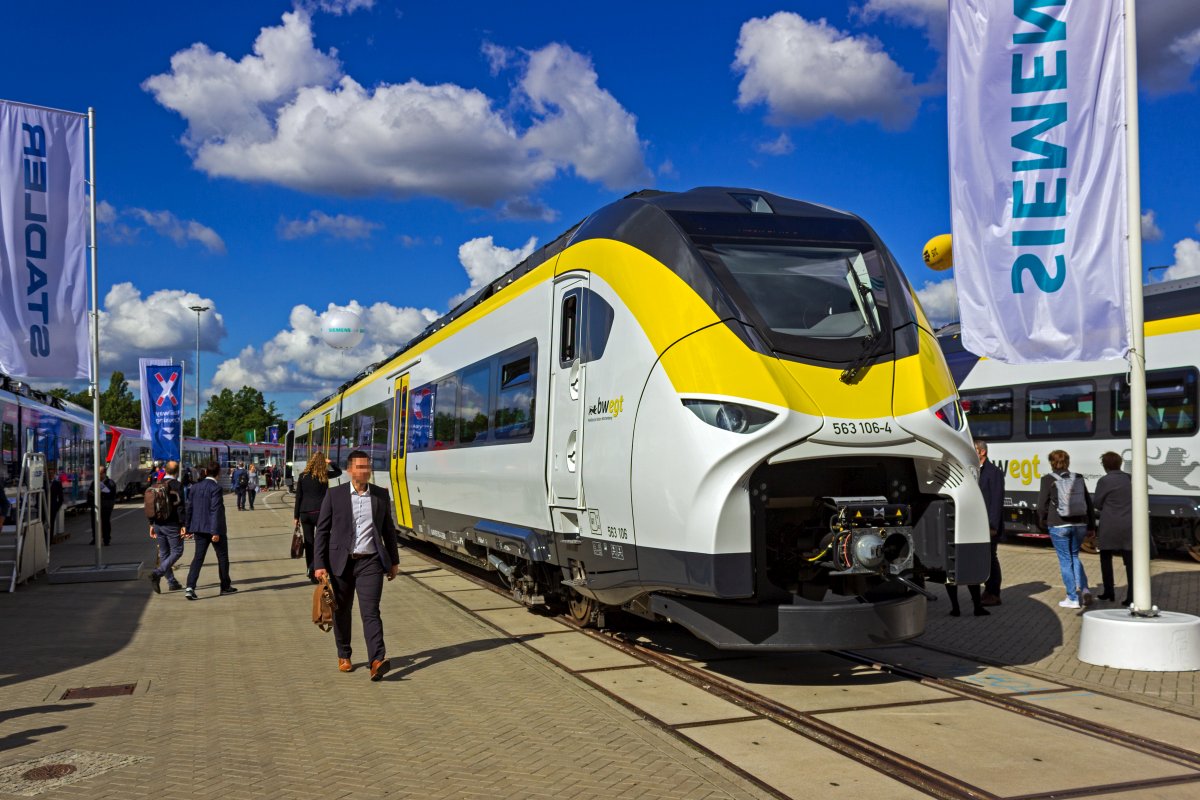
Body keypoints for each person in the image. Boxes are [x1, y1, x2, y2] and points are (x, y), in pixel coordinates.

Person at [314, 449, 400, 681]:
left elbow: (388, 531)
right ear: (350, 470)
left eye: (368, 467)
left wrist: (393, 561)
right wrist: (319, 564)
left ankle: (377, 660)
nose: (365, 471)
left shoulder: (381, 495)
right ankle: (344, 654)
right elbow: (321, 531)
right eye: (361, 467)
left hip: (370, 561)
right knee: (341, 611)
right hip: (340, 563)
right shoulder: (335, 495)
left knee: (370, 612)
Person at [1038, 449, 1096, 609]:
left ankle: (1072, 598)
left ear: (1051, 462)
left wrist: (1042, 522)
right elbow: (1088, 503)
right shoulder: (1077, 478)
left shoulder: (1047, 480)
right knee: (1074, 556)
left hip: (1059, 525)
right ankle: (1084, 589)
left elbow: (1041, 506)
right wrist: (1091, 526)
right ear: (1068, 462)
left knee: (1065, 561)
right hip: (1079, 524)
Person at [183, 461, 236, 600]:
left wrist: (187, 528)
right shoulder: (216, 488)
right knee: (222, 557)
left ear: (206, 472)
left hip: (198, 528)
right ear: (218, 473)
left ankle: (190, 587)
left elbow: (189, 508)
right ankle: (225, 586)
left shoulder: (194, 487)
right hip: (214, 529)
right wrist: (215, 532)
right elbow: (215, 510)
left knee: (198, 558)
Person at [1094, 451, 1134, 606]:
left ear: (1105, 465)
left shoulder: (1104, 481)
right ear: (1120, 463)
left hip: (1110, 525)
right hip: (1129, 524)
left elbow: (1097, 503)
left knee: (1105, 558)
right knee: (1130, 562)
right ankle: (1131, 596)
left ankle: (1109, 592)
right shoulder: (1129, 478)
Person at [294, 451, 334, 583]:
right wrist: (331, 462)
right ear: (323, 463)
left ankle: (311, 572)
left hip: (305, 514)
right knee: (322, 542)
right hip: (320, 513)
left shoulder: (302, 476)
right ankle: (321, 568)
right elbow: (339, 472)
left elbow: (298, 497)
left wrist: (296, 517)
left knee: (309, 543)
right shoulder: (324, 476)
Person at [147, 461, 187, 593]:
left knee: (164, 553)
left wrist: (151, 524)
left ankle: (172, 582)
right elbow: (180, 506)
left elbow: (151, 504)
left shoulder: (156, 484)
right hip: (172, 524)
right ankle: (157, 573)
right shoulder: (177, 485)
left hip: (158, 524)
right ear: (177, 471)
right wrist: (183, 524)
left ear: (165, 470)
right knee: (177, 551)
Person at [977, 439, 1005, 606]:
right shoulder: (976, 471)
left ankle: (994, 592)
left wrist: (993, 526)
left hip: (989, 525)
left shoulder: (993, 472)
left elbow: (996, 501)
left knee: (991, 558)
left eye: (973, 449)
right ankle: (987, 590)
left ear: (982, 452)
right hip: (978, 523)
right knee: (984, 557)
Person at [88, 466, 118, 546]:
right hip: (96, 506)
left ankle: (106, 539)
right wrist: (91, 501)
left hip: (106, 506)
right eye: (97, 474)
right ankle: (95, 538)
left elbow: (112, 495)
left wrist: (102, 494)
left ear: (104, 473)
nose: (99, 476)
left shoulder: (110, 483)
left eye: (100, 474)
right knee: (95, 522)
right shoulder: (94, 482)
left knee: (105, 522)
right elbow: (89, 492)